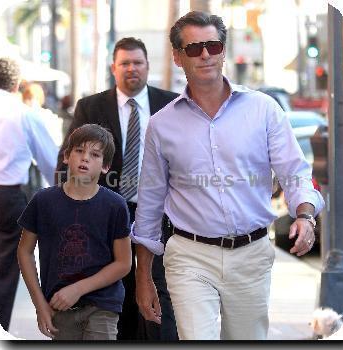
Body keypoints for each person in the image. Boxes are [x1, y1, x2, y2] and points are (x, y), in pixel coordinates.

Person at [132, 11, 325, 340]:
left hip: (251, 255)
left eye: (213, 45)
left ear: (223, 50)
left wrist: (305, 216)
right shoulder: (161, 125)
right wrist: (143, 278)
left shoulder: (263, 110)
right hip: (190, 256)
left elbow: (294, 172)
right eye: (193, 48)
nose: (205, 54)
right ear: (178, 58)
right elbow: (149, 203)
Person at [56, 37, 179, 340]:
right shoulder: (91, 107)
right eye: (125, 63)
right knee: (115, 293)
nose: (132, 69)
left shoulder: (173, 105)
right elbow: (68, 162)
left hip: (162, 215)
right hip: (108, 213)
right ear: (114, 68)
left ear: (148, 66)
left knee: (160, 292)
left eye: (137, 62)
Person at [17, 124, 132, 340]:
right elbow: (24, 252)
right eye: (79, 151)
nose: (85, 158)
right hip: (59, 306)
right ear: (67, 156)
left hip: (103, 305)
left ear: (106, 166)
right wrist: (40, 304)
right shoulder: (43, 201)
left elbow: (124, 263)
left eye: (95, 154)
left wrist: (78, 289)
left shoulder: (115, 205)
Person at [0, 57, 58, 331]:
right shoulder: (23, 113)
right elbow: (50, 161)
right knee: (4, 271)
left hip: (8, 196)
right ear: (17, 84)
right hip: (8, 197)